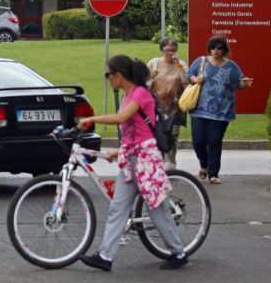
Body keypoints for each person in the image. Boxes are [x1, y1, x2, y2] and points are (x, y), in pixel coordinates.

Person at [76, 55, 188, 272]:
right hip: (131, 159)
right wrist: (120, 151)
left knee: (157, 209)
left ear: (119, 76)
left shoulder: (140, 94)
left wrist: (91, 119)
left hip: (146, 160)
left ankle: (179, 252)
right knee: (117, 208)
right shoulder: (128, 95)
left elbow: (122, 119)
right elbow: (133, 131)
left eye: (108, 75)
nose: (107, 79)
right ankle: (105, 256)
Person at [187, 35, 253, 184]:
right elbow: (189, 75)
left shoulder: (231, 66)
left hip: (221, 110)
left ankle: (213, 173)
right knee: (198, 141)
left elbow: (238, 84)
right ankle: (204, 164)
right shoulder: (201, 61)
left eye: (219, 48)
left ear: (224, 50)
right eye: (212, 48)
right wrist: (195, 79)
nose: (215, 51)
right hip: (199, 109)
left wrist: (244, 84)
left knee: (215, 141)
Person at [147, 37, 189, 170]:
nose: (171, 53)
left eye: (173, 50)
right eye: (168, 50)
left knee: (172, 138)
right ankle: (158, 166)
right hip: (155, 108)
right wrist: (152, 76)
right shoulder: (153, 63)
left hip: (175, 109)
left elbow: (186, 82)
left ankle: (170, 167)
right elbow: (143, 85)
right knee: (157, 137)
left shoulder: (181, 64)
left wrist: (178, 65)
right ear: (162, 50)